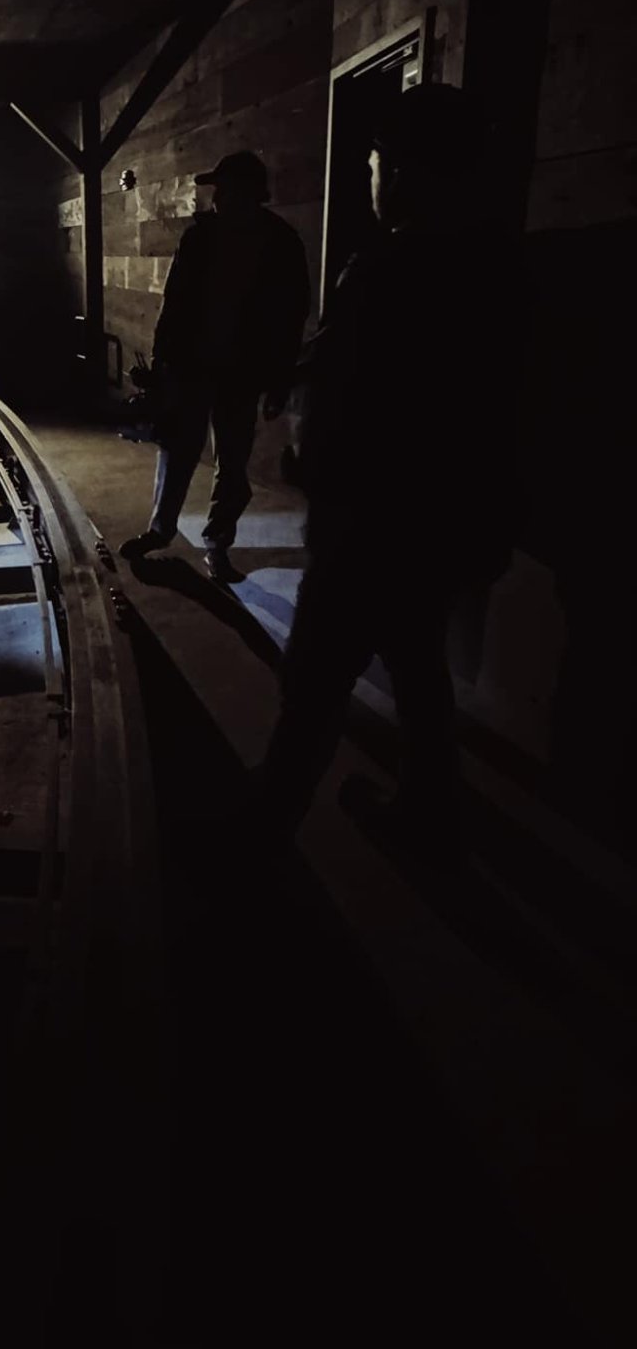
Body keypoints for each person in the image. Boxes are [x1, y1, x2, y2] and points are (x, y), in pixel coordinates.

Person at [249, 82, 522, 868]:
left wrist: (312, 464)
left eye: (375, 162)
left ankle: (265, 831)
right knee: (418, 665)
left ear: (402, 170)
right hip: (449, 516)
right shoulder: (499, 265)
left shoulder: (388, 269)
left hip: (371, 521)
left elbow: (357, 398)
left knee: (316, 676)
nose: (370, 176)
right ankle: (429, 813)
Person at [123, 150, 310, 581]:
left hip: (240, 372)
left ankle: (217, 544)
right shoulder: (202, 238)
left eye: (224, 190)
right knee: (178, 450)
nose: (217, 197)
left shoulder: (279, 243)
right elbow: (175, 303)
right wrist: (160, 360)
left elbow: (290, 315)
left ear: (248, 193)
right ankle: (163, 530)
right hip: (194, 366)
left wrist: (279, 378)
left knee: (232, 461)